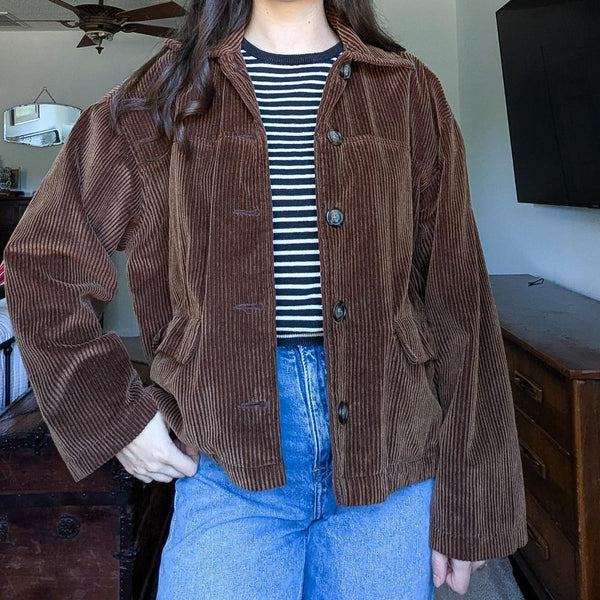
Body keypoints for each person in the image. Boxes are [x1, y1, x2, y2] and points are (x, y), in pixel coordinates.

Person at [3, 0, 528, 598]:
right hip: (224, 454)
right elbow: (42, 258)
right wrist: (114, 415)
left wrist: (472, 504)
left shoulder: (406, 88)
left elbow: (459, 301)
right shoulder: (166, 91)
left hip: (393, 450)